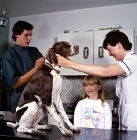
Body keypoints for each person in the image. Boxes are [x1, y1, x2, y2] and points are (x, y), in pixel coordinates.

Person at [56, 29, 137, 131]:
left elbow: (104, 72)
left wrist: (69, 64)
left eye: (109, 49)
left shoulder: (133, 61)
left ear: (119, 44)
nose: (109, 54)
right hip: (129, 121)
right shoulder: (127, 63)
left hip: (133, 123)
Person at [1, 20, 47, 121]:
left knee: (44, 135)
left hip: (40, 105)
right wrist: (35, 68)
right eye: (26, 35)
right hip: (21, 105)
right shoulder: (8, 56)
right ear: (16, 34)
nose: (30, 38)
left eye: (31, 35)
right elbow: (15, 84)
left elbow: (44, 71)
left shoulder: (34, 51)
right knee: (21, 135)